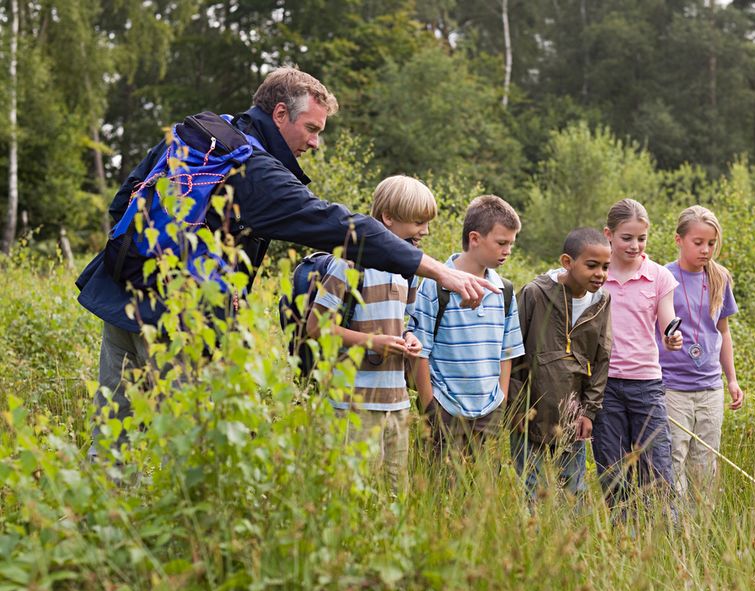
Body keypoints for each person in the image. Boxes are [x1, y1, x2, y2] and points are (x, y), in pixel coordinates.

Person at [77, 67, 495, 458]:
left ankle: (99, 525)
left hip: (122, 298)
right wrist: (440, 270)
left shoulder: (200, 135)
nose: (315, 142)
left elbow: (123, 203)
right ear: (280, 113)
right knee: (185, 449)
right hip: (180, 323)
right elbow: (344, 228)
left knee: (112, 437)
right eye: (311, 128)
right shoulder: (254, 169)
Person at [305, 175, 436, 494]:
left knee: (395, 495)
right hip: (354, 403)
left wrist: (409, 338)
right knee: (355, 494)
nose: (425, 231)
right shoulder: (350, 263)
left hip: (397, 402)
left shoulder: (409, 270)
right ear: (388, 218)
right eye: (418, 222)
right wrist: (372, 342)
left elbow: (401, 322)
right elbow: (316, 326)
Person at [410, 195, 524, 459]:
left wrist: (501, 401)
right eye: (501, 243)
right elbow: (419, 351)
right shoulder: (434, 284)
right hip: (445, 409)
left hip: (489, 412)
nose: (507, 250)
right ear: (475, 239)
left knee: (480, 495)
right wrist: (430, 407)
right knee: (438, 492)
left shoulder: (504, 290)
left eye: (511, 244)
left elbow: (507, 352)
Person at [591, 199, 683, 514]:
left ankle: (664, 537)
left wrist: (673, 336)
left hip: (646, 384)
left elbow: (667, 319)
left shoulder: (659, 277)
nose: (634, 245)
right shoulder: (597, 277)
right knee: (613, 471)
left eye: (641, 238)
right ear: (609, 235)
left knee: (657, 467)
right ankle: (622, 536)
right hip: (606, 386)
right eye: (626, 238)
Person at [509, 228, 612, 501]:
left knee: (574, 491)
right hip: (529, 411)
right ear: (568, 262)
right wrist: (516, 407)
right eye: (592, 265)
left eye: (605, 267)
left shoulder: (602, 301)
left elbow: (601, 358)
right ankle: (529, 539)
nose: (600, 274)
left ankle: (574, 541)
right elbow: (512, 351)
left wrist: (589, 411)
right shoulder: (534, 293)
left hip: (572, 414)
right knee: (529, 488)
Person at [658, 205, 743, 506]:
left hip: (709, 387)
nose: (706, 250)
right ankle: (675, 523)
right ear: (679, 240)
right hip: (672, 386)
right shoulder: (663, 278)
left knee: (705, 460)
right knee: (674, 455)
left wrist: (731, 379)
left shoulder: (719, 278)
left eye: (711, 243)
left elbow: (724, 331)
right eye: (698, 243)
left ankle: (701, 526)